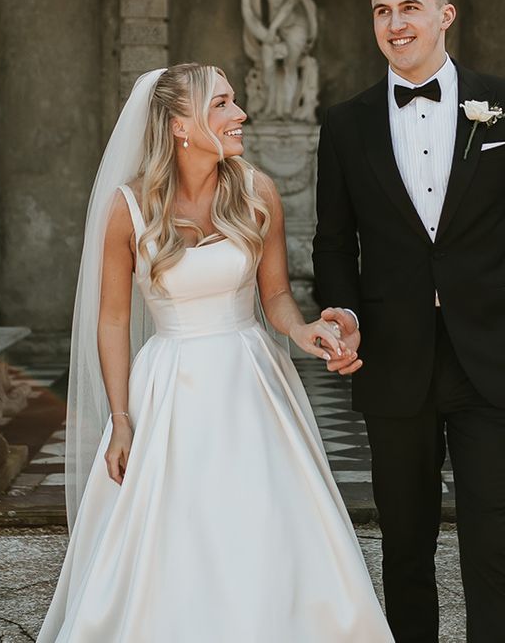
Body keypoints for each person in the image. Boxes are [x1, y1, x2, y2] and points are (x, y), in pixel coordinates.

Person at [39, 63, 394, 642]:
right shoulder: (128, 209)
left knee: (263, 524)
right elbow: (111, 319)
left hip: (251, 381)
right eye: (223, 104)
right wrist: (122, 419)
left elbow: (275, 294)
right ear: (181, 123)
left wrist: (303, 332)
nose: (241, 115)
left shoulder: (257, 191)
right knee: (171, 537)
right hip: (168, 387)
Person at [313, 0, 505, 643]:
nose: (395, 24)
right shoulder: (345, 124)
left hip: (490, 360)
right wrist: (342, 315)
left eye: (409, 8)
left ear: (444, 14)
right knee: (405, 548)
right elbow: (332, 244)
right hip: (394, 363)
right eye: (382, 11)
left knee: (490, 545)